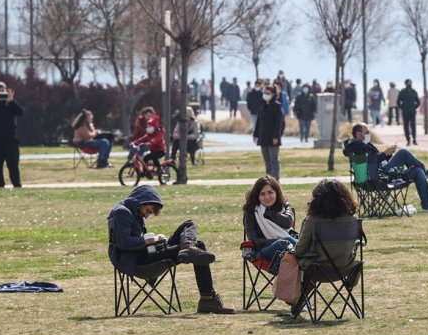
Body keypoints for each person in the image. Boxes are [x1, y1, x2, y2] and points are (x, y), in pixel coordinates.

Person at [107, 185, 234, 314]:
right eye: (148, 211)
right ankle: (208, 299)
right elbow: (124, 243)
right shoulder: (122, 212)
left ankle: (188, 247)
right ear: (141, 201)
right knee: (199, 246)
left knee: (188, 224)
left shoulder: (132, 210)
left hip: (145, 255)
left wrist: (157, 241)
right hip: (139, 263)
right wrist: (150, 240)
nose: (147, 215)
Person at [290, 179, 360, 314]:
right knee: (315, 261)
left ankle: (297, 300)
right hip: (345, 269)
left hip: (317, 271)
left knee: (304, 260)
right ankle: (299, 302)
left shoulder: (312, 220)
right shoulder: (353, 220)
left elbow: (300, 250)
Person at [342, 123, 428, 213]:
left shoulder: (363, 144)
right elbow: (370, 164)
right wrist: (385, 153)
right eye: (367, 132)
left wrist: (388, 154)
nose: (369, 134)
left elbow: (377, 160)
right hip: (378, 177)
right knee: (404, 152)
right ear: (359, 134)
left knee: (417, 172)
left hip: (383, 172)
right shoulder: (356, 147)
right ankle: (426, 171)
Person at [242, 176, 297, 263]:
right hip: (264, 250)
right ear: (257, 196)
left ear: (276, 193)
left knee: (291, 242)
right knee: (286, 242)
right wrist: (278, 241)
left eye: (270, 192)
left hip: (290, 249)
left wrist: (267, 213)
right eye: (262, 194)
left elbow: (288, 222)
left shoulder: (284, 205)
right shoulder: (251, 211)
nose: (267, 197)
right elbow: (254, 239)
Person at [253, 84, 284, 180]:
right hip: (263, 137)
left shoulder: (277, 107)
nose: (265, 95)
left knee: (274, 159)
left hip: (273, 138)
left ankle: (275, 179)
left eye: (268, 93)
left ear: (273, 94)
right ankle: (269, 178)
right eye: (264, 93)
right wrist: (255, 135)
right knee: (267, 160)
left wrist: (276, 136)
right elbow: (258, 122)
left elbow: (279, 124)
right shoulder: (262, 105)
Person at [397, 79, 420, 146]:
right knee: (406, 127)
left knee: (413, 126)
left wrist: (414, 107)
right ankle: (408, 140)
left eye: (411, 83)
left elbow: (418, 101)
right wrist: (402, 107)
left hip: (412, 112)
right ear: (406, 84)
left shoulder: (414, 91)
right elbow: (398, 102)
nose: (410, 84)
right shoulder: (402, 92)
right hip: (405, 112)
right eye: (409, 83)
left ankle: (414, 139)